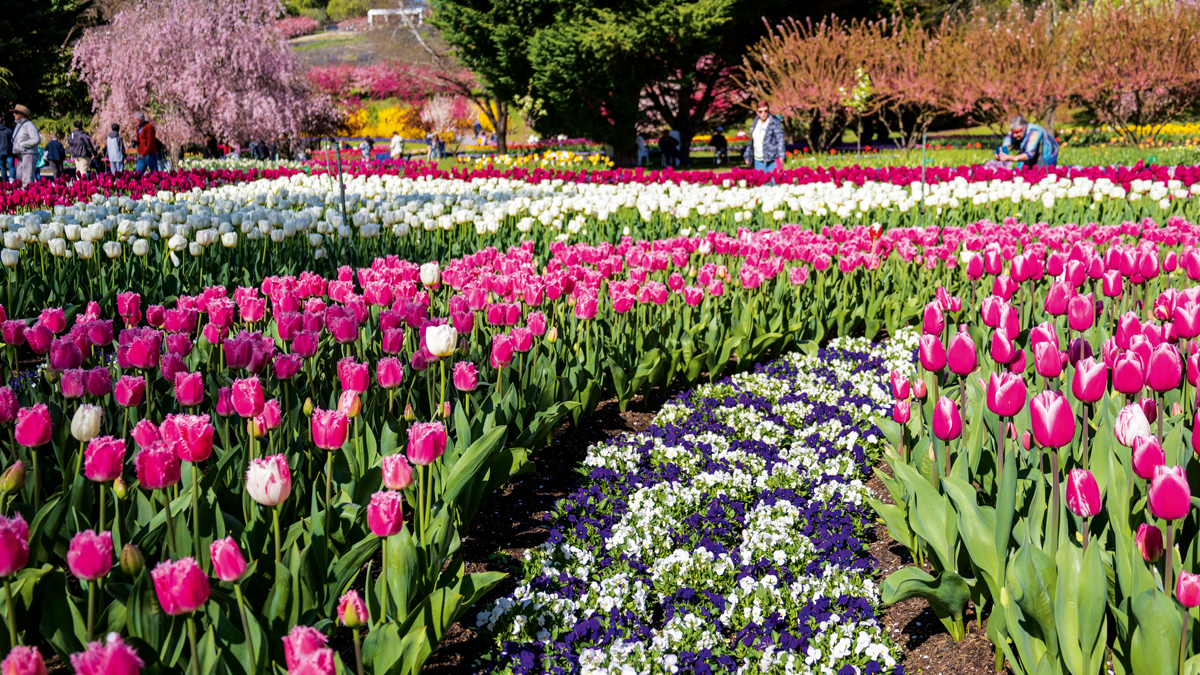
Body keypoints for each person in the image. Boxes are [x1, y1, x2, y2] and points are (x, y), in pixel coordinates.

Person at [744, 100, 785, 172]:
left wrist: (781, 156)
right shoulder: (755, 122)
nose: (763, 113)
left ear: (768, 110)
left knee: (773, 182)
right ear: (757, 112)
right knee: (761, 182)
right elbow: (752, 141)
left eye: (765, 111)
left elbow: (780, 140)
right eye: (760, 111)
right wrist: (747, 155)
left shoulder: (774, 122)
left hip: (771, 159)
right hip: (757, 159)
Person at [10, 105, 39, 185]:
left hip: (28, 154)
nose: (14, 114)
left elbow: (36, 139)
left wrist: (22, 144)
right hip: (20, 155)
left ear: (22, 115)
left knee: (27, 178)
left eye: (16, 113)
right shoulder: (18, 125)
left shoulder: (29, 125)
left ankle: (28, 196)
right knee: (19, 178)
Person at [0, 118, 12, 182]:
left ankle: (5, 182)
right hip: (8, 151)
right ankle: (11, 181)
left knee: (3, 168)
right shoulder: (8, 130)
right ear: (3, 122)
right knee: (11, 167)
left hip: (0, 152)